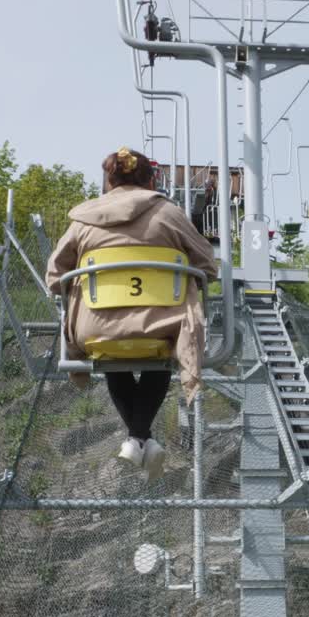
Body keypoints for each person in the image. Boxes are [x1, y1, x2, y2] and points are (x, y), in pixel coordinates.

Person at [47, 148, 218, 479]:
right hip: (161, 327)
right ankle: (141, 437)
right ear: (150, 179)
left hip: (95, 328)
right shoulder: (170, 214)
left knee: (112, 347)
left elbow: (55, 277)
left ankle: (138, 439)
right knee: (164, 344)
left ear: (108, 180)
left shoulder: (82, 220)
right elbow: (206, 266)